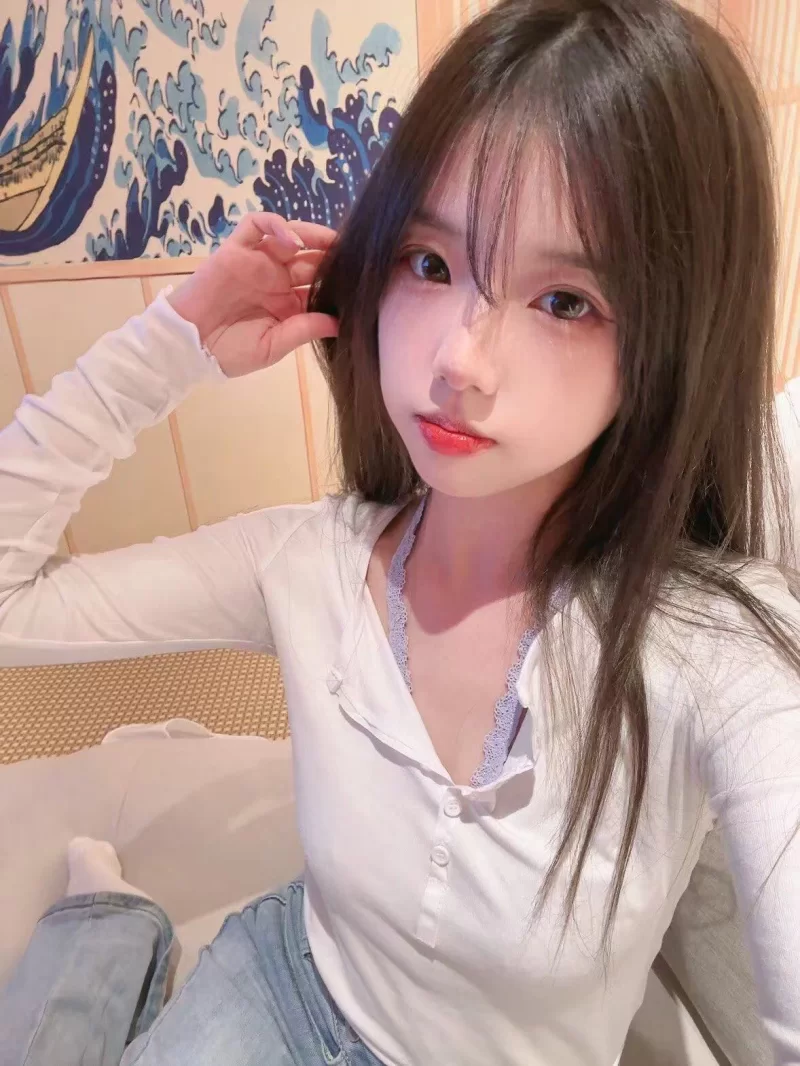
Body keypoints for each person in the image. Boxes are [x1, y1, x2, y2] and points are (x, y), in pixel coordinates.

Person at [1, 0, 799, 1063]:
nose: (458, 361)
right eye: (429, 263)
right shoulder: (306, 561)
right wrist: (172, 343)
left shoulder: (716, 654)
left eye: (564, 300)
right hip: (284, 984)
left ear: (669, 342)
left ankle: (103, 927)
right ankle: (109, 923)